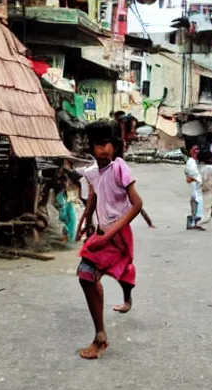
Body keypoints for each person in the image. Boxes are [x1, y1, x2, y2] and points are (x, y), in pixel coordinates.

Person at [76, 121, 144, 359]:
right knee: (89, 273)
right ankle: (102, 334)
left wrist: (112, 233)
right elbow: (94, 193)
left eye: (106, 144)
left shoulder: (119, 167)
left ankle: (100, 336)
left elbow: (137, 204)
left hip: (118, 233)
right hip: (104, 231)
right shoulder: (94, 172)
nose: (102, 149)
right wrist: (85, 220)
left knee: (90, 272)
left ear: (114, 146)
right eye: (97, 144)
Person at [198, 149, 212, 225]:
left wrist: (202, 187)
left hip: (206, 190)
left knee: (206, 208)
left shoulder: (202, 169)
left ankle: (200, 222)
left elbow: (202, 180)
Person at [185, 146, 204, 229]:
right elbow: (189, 177)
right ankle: (194, 223)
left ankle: (195, 222)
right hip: (195, 187)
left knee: (197, 202)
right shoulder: (191, 162)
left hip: (197, 187)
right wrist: (197, 180)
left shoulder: (195, 162)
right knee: (196, 202)